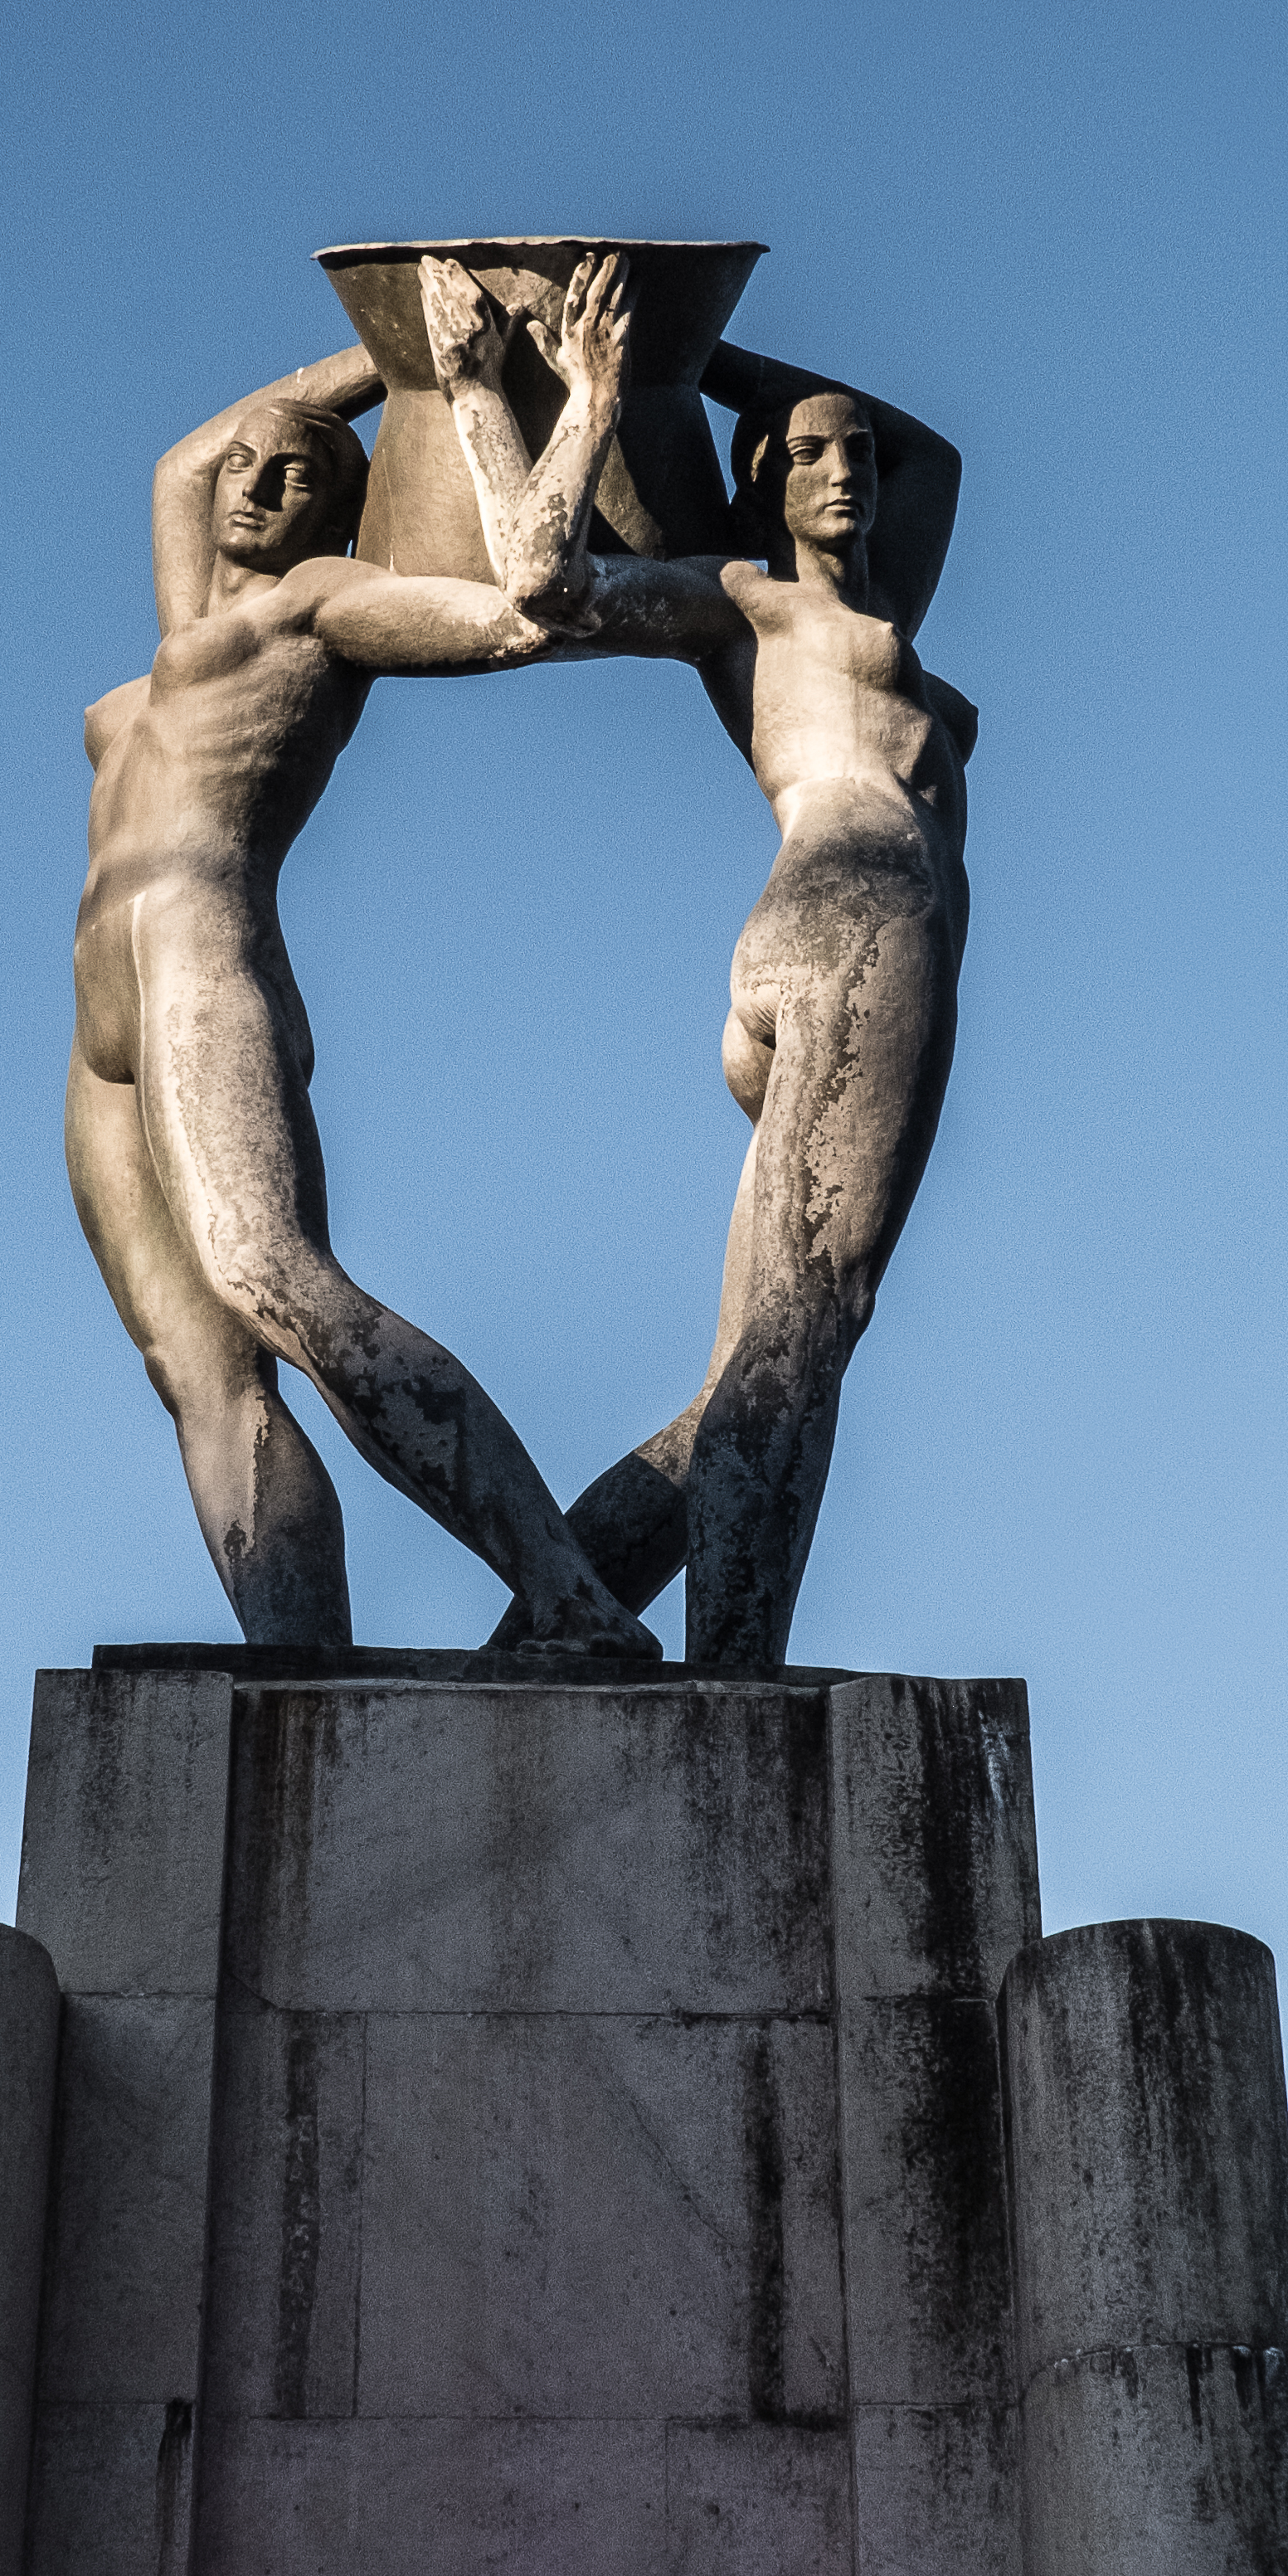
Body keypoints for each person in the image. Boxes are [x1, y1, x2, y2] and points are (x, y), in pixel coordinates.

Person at [67, 268, 657, 1656]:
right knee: (198, 1370)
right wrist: (374, 345)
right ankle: (295, 1667)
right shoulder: (174, 637)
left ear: (333, 512)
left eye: (296, 478)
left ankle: (572, 1599)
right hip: (98, 1013)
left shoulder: (324, 605)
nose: (255, 484)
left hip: (205, 950)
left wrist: (497, 385)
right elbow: (183, 458)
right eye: (250, 469)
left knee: (269, 1269)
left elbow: (528, 606)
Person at [419, 258, 974, 1665]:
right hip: (858, 931)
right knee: (812, 1333)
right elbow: (537, 580)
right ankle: (743, 1683)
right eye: (806, 456)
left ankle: (543, 1633)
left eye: (856, 454)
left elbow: (937, 455)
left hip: (822, 959)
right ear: (758, 485)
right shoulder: (756, 605)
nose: (845, 469)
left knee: (744, 1372)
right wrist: (598, 377)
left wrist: (707, 354)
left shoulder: (884, 621)